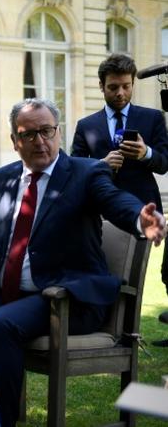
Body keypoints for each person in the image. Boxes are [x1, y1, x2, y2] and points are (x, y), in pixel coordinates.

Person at [0, 98, 166, 427]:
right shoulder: (0, 179)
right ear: (15, 141)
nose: (39, 140)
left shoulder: (86, 172)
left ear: (59, 132)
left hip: (66, 299)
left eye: (46, 131)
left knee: (1, 324)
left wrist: (139, 218)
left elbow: (114, 202)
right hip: (8, 292)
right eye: (28, 134)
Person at [70, 53, 168, 346]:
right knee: (106, 268)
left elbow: (165, 162)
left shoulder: (152, 118)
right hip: (99, 211)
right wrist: (100, 163)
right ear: (101, 86)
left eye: (126, 86)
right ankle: (107, 328)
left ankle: (130, 335)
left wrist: (146, 153)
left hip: (142, 207)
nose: (121, 92)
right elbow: (74, 168)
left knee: (137, 276)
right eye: (114, 87)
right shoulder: (86, 124)